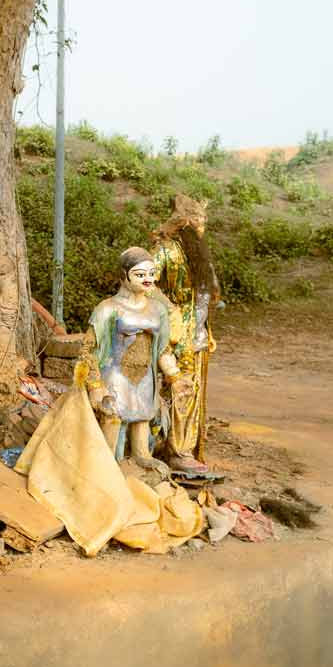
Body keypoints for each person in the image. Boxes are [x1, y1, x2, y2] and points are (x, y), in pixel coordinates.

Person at [80, 247, 191, 476]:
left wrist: (175, 377)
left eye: (151, 273)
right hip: (114, 374)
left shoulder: (158, 309)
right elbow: (87, 350)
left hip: (144, 378)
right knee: (112, 420)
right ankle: (106, 468)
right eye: (140, 274)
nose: (148, 279)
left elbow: (162, 349)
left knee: (142, 418)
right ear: (124, 275)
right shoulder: (107, 308)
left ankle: (142, 457)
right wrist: (94, 386)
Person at [150, 195, 220, 474]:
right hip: (178, 334)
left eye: (204, 221)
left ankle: (188, 446)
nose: (202, 227)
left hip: (200, 332)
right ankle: (176, 449)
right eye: (196, 222)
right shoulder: (165, 249)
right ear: (183, 224)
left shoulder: (199, 253)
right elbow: (144, 282)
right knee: (180, 389)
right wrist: (169, 310)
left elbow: (209, 290)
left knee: (194, 393)